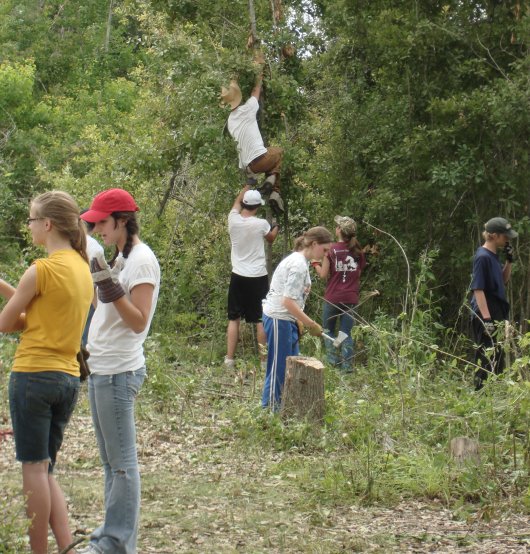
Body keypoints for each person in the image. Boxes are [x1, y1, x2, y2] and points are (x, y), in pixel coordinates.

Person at [0, 191, 93, 554]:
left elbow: (8, 322)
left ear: (48, 224)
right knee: (46, 468)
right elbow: (41, 314)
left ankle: (39, 550)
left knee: (33, 470)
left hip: (33, 376)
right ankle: (66, 546)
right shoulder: (81, 268)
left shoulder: (41, 269)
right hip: (67, 378)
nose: (30, 226)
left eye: (32, 220)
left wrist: (12, 296)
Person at [78, 188, 160, 554]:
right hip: (102, 366)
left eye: (102, 223)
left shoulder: (142, 260)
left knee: (123, 463)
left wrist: (112, 290)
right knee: (110, 462)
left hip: (119, 370)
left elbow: (138, 321)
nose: (98, 229)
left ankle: (112, 541)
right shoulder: (120, 257)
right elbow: (107, 311)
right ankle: (114, 539)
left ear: (123, 221)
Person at [261, 227, 332, 410]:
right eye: (324, 250)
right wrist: (310, 324)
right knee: (279, 369)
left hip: (288, 320)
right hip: (278, 318)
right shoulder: (298, 264)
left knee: (290, 368)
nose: (325, 256)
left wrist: (298, 321)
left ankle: (283, 408)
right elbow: (287, 301)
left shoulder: (302, 262)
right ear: (314, 244)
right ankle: (268, 410)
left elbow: (294, 300)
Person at [220, 55, 284, 217]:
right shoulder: (247, 110)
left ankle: (271, 182)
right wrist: (259, 73)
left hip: (249, 168)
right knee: (280, 152)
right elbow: (256, 91)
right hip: (260, 160)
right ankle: (274, 188)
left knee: (270, 156)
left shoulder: (230, 121)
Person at [225, 186, 279, 369]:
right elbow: (270, 238)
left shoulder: (232, 220)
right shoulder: (262, 224)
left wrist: (246, 187)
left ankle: (229, 360)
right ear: (257, 207)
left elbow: (235, 203)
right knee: (259, 319)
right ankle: (263, 363)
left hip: (238, 275)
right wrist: (276, 226)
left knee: (234, 318)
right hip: (257, 276)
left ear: (243, 204)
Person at [313, 216, 366, 372]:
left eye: (336, 226)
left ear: (339, 230)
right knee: (345, 332)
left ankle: (332, 361)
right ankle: (347, 367)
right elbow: (358, 274)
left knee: (327, 330)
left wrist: (315, 264)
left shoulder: (331, 250)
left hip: (333, 297)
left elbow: (323, 275)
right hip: (351, 298)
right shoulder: (358, 251)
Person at [470, 216, 517, 390]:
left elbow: (503, 280)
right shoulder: (482, 257)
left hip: (496, 310)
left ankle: (493, 395)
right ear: (494, 236)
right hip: (485, 312)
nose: (507, 239)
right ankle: (480, 395)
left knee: (497, 357)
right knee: (485, 358)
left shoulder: (493, 255)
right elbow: (478, 289)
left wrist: (509, 261)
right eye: (505, 236)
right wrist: (487, 320)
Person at [80, 210, 104, 346]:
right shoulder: (95, 247)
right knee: (86, 337)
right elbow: (97, 278)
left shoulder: (70, 242)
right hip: (89, 296)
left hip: (72, 294)